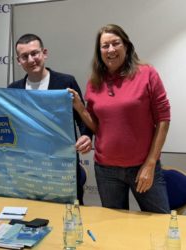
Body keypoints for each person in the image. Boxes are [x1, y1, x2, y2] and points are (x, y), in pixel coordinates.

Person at [69, 24, 170, 213]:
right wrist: (80, 108)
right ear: (99, 52)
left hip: (143, 166)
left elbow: (164, 119)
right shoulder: (94, 81)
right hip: (106, 170)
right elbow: (99, 128)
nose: (111, 50)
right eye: (105, 46)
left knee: (161, 224)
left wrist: (150, 163)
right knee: (115, 228)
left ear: (126, 46)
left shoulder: (147, 73)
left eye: (116, 43)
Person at [8, 33, 92, 205]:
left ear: (44, 53)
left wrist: (86, 136)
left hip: (63, 170)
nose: (31, 60)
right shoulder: (13, 89)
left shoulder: (65, 82)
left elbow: (82, 116)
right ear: (19, 61)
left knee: (69, 219)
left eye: (35, 53)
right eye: (25, 56)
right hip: (27, 171)